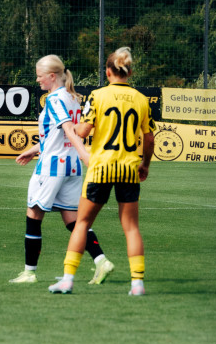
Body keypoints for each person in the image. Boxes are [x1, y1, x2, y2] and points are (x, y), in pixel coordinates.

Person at [49, 47, 156, 296]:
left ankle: (67, 280)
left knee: (82, 223)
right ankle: (137, 284)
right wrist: (145, 165)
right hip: (128, 168)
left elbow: (83, 131)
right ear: (130, 72)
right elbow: (149, 139)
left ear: (108, 72)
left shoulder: (97, 96)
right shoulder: (142, 100)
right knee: (131, 227)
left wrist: (73, 126)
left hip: (101, 169)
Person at [10, 54, 115, 285]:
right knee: (74, 221)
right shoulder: (73, 98)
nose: (37, 80)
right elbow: (57, 135)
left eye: (39, 76)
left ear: (51, 76)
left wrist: (85, 154)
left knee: (33, 216)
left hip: (52, 168)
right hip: (72, 168)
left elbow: (68, 130)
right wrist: (33, 149)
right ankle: (101, 261)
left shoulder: (55, 99)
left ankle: (29, 273)